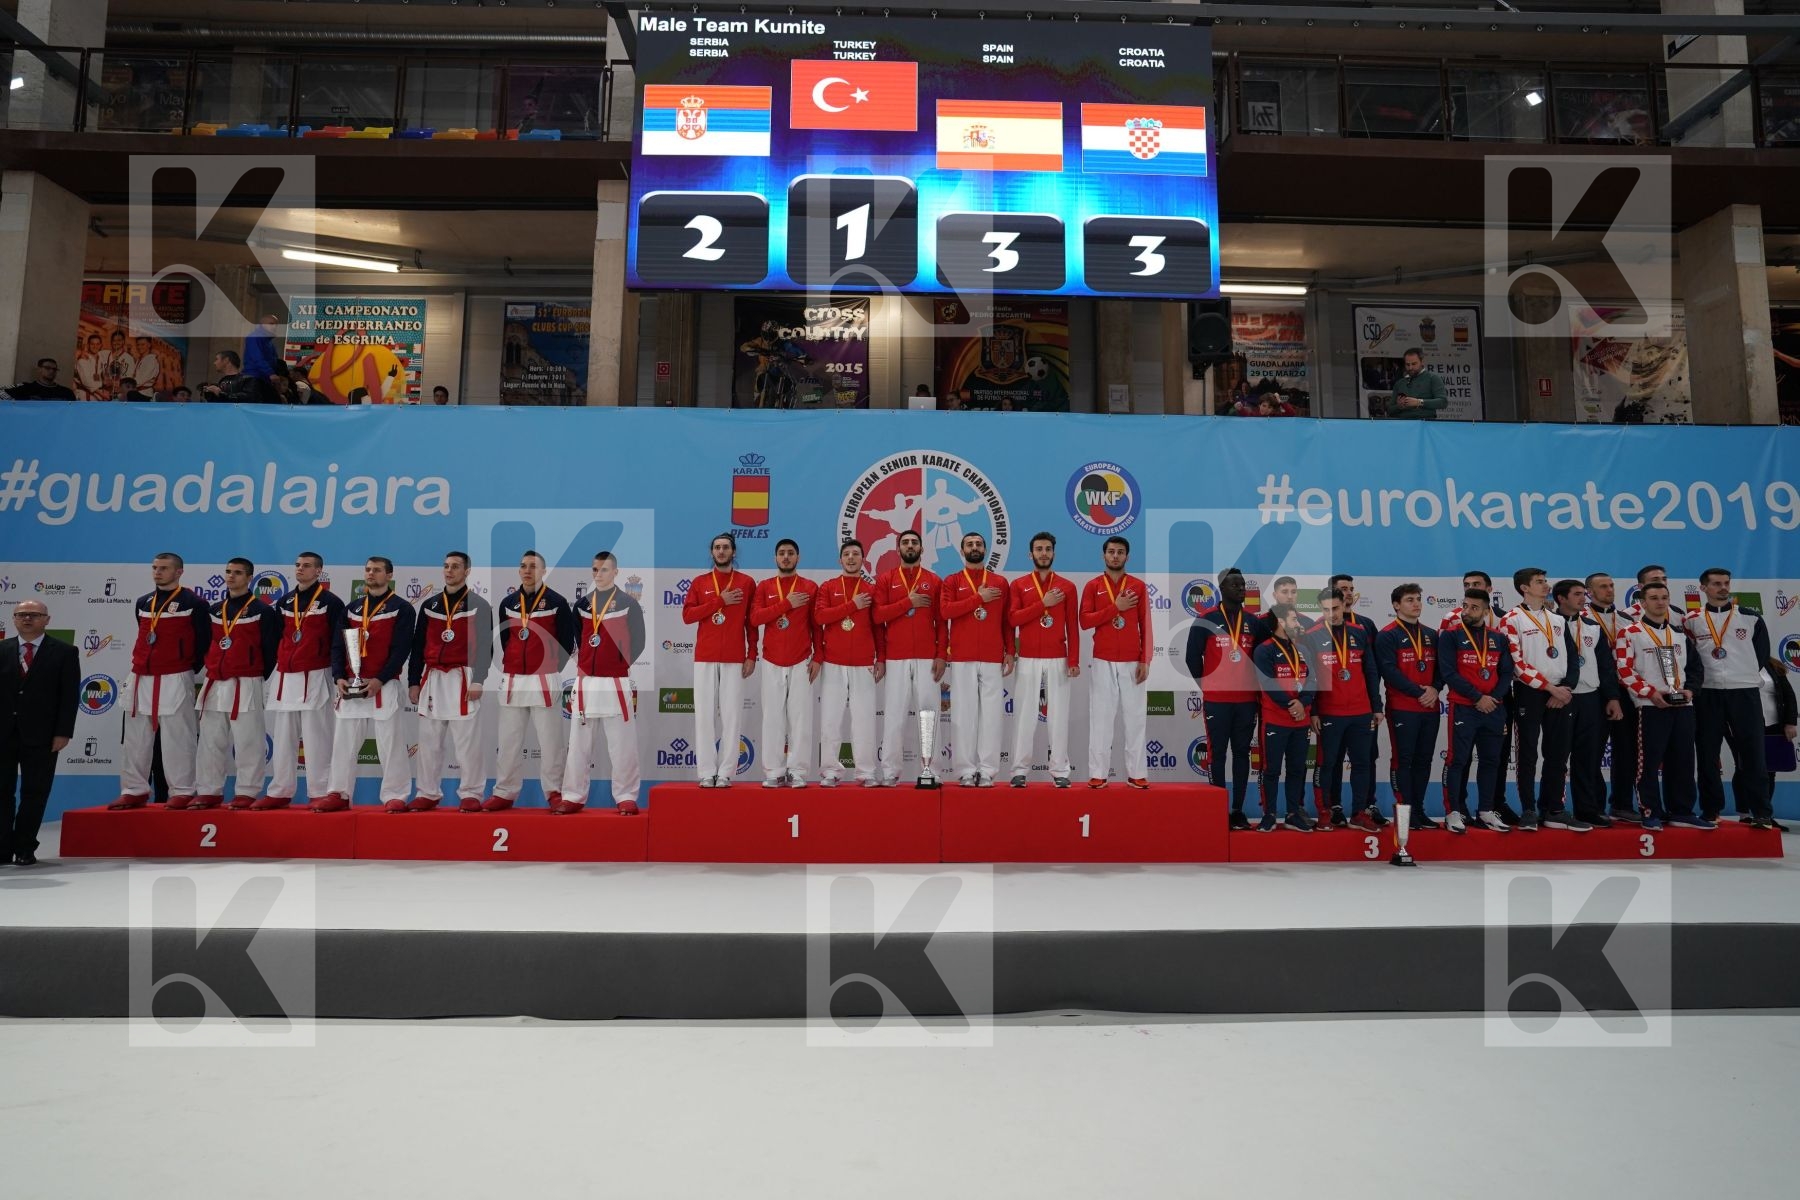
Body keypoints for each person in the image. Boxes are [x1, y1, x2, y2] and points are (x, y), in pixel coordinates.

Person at [109, 553, 211, 809]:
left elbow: (204, 641)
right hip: (141, 673)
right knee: (136, 736)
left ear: (179, 572)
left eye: (164, 568)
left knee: (179, 735)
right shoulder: (143, 603)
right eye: (155, 568)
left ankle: (183, 790)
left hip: (175, 674)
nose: (157, 572)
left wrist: (186, 666)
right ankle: (134, 788)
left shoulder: (194, 603)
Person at [317, 557, 416, 812]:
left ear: (389, 575)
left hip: (384, 684)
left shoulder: (401, 608)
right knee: (344, 743)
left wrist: (380, 679)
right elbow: (338, 646)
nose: (371, 574)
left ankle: (395, 794)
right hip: (351, 683)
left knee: (391, 742)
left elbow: (401, 649)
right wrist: (338, 675)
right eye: (368, 570)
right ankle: (339, 792)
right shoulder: (351, 608)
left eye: (377, 570)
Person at [1683, 568, 1775, 826]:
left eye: (1726, 583)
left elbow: (1761, 654)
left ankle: (1761, 812)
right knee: (1707, 753)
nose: (1723, 588)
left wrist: (1741, 674)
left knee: (1753, 753)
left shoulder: (1751, 618)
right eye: (1716, 584)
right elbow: (1688, 658)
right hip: (1707, 693)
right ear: (1703, 588)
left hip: (1744, 692)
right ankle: (1711, 810)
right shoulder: (1692, 620)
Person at [255, 552, 345, 809]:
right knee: (283, 736)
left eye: (307, 566)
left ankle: (320, 790)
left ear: (319, 571)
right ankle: (281, 789)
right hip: (286, 674)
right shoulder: (285, 601)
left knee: (318, 737)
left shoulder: (331, 602)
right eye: (297, 565)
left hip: (317, 673)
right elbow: (278, 637)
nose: (300, 569)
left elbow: (338, 641)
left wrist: (338, 672)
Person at [1614, 580, 1705, 831]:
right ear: (1642, 603)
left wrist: (1690, 690)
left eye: (1664, 597)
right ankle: (1650, 810)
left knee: (1684, 759)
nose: (1660, 602)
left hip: (1682, 706)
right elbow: (1623, 671)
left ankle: (1682, 810)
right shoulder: (1629, 633)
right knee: (1649, 762)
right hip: (1650, 706)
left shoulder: (1678, 634)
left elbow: (1695, 669)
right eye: (1653, 598)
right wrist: (1650, 693)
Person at [189, 558, 280, 810]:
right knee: (210, 739)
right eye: (228, 572)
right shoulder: (214, 610)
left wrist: (254, 673)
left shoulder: (262, 611)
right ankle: (209, 790)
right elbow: (206, 643)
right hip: (215, 681)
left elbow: (271, 650)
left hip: (246, 682)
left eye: (237, 573)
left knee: (248, 740)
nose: (231, 577)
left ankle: (247, 791)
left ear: (249, 578)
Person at [408, 551, 494, 812]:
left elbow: (485, 647)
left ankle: (471, 792)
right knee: (429, 741)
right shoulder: (430, 605)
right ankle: (428, 792)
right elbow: (417, 646)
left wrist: (479, 680)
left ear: (467, 571)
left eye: (456, 566)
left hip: (463, 677)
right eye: (446, 566)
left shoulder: (479, 604)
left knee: (467, 742)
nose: (449, 570)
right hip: (432, 677)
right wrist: (413, 681)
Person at [561, 552, 647, 814]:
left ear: (616, 572)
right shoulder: (582, 605)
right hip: (586, 682)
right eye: (595, 569)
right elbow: (579, 637)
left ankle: (626, 796)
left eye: (604, 569)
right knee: (578, 744)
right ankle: (573, 796)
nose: (598, 574)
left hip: (616, 682)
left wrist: (619, 662)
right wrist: (588, 662)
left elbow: (639, 641)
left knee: (623, 744)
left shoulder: (627, 603)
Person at [491, 550, 577, 809]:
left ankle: (554, 791)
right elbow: (506, 640)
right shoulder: (508, 602)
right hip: (514, 678)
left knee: (551, 742)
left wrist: (549, 664)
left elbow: (566, 641)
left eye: (533, 566)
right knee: (508, 741)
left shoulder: (557, 601)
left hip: (544, 678)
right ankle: (505, 791)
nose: (527, 570)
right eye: (523, 566)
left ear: (543, 570)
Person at [0, 600, 79, 865]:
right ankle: (1, 848)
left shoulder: (65, 652)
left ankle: (24, 847)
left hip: (43, 735)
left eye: (34, 615)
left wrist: (63, 732)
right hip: (3, 734)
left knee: (35, 793)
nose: (27, 619)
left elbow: (69, 697)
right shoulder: (2, 649)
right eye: (21, 615)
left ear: (47, 619)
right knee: (2, 792)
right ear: (13, 619)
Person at [1186, 568, 1264, 828]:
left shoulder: (1254, 622)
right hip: (1217, 700)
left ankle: (1238, 810)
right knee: (1217, 753)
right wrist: (1209, 685)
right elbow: (1191, 658)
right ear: (1222, 588)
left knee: (1242, 753)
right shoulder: (1205, 619)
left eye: (1243, 585)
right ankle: (1217, 809)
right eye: (1236, 585)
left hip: (1246, 701)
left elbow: (1264, 659)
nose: (1242, 589)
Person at [1500, 566, 1573, 831]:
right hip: (1529, 694)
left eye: (1546, 581)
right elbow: (1517, 664)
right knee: (1528, 754)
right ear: (1524, 588)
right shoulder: (1511, 619)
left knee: (1558, 753)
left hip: (1560, 693)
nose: (1546, 585)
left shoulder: (1558, 619)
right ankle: (1529, 809)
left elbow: (1569, 657)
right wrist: (1549, 689)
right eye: (1539, 582)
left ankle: (1553, 807)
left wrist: (1563, 688)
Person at [1006, 532, 1080, 788]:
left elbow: (1073, 626)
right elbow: (1013, 619)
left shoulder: (1067, 587)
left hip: (1057, 658)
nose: (1043, 553)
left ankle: (1060, 770)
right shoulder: (1019, 585)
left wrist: (1074, 660)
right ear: (1031, 554)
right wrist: (1042, 603)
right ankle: (1019, 770)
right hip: (1027, 658)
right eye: (1039, 549)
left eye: (1048, 549)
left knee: (1058, 716)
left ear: (1054, 553)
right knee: (1024, 716)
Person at [1438, 588, 1515, 834]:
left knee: (1492, 760)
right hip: (1464, 707)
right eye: (1465, 605)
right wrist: (1477, 697)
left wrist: (1492, 698)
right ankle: (1453, 812)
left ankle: (1485, 811)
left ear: (1485, 610)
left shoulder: (1499, 638)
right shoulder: (1450, 636)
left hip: (1493, 708)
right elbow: (1449, 673)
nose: (1467, 611)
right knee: (1457, 760)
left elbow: (1506, 673)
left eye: (1473, 607)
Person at [1305, 588, 1383, 831]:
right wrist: (1314, 711)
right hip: (1330, 712)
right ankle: (1325, 812)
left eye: (1336, 609)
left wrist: (1376, 706)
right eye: (1326, 610)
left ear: (1344, 605)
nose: (1332, 614)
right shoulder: (1312, 635)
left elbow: (1370, 671)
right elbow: (1310, 678)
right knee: (1326, 764)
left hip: (1361, 712)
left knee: (1362, 763)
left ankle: (1359, 812)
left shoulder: (1360, 632)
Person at [1376, 583, 1444, 863]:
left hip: (1430, 706)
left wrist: (1436, 689)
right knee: (1403, 760)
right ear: (1395, 605)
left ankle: (1418, 811)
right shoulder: (1387, 635)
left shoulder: (1431, 634)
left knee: (1424, 760)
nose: (1416, 604)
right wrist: (1420, 692)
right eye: (1409, 600)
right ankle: (1404, 815)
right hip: (1403, 707)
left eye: (1418, 600)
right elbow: (1389, 673)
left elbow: (1442, 668)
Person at [683, 533, 757, 787]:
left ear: (734, 552)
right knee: (704, 716)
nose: (721, 551)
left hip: (735, 657)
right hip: (705, 656)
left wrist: (752, 654)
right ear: (712, 552)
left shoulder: (746, 582)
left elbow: (752, 623)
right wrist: (719, 601)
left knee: (731, 716)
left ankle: (726, 771)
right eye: (717, 547)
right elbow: (688, 616)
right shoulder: (700, 582)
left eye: (726, 547)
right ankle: (706, 771)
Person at [938, 532, 1011, 787]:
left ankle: (988, 770)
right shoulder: (952, 581)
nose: (975, 547)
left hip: (992, 656)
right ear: (962, 551)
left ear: (986, 549)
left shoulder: (1000, 582)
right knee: (963, 715)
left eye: (979, 544)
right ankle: (966, 770)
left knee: (991, 716)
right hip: (962, 656)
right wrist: (978, 598)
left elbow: (1006, 622)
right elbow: (946, 611)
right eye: (969, 544)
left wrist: (1010, 651)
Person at [873, 529, 944, 788]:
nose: (910, 546)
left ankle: (931, 769)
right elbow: (877, 617)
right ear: (897, 548)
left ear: (922, 549)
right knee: (893, 715)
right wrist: (908, 602)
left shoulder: (934, 581)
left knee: (929, 714)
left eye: (914, 542)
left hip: (927, 658)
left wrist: (941, 655)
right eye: (905, 542)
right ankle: (890, 771)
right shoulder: (885, 579)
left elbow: (942, 622)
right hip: (896, 657)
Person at [1080, 536, 1152, 788]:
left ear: (1127, 557)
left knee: (1135, 718)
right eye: (1111, 552)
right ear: (1103, 556)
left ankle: (1137, 772)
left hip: (1132, 661)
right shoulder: (1093, 586)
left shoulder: (1138, 586)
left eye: (1120, 552)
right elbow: (1085, 621)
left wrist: (1146, 659)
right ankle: (1098, 773)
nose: (1115, 556)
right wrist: (1115, 607)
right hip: (1102, 660)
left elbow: (1146, 625)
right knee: (1101, 718)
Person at [751, 538, 819, 788]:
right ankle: (774, 771)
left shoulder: (810, 586)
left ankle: (798, 771)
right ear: (775, 558)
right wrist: (786, 604)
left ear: (798, 557)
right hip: (771, 660)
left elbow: (817, 625)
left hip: (802, 659)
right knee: (772, 718)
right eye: (781, 553)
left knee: (801, 718)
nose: (786, 557)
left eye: (791, 553)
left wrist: (818, 657)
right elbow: (755, 618)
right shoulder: (765, 586)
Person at [814, 540, 882, 787]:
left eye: (856, 554)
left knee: (864, 720)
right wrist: (852, 605)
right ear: (839, 560)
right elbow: (820, 617)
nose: (851, 558)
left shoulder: (871, 589)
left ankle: (865, 772)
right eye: (846, 554)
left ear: (863, 559)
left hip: (863, 662)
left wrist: (881, 658)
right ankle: (831, 770)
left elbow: (878, 627)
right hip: (833, 662)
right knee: (831, 720)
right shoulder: (828, 587)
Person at [1554, 578, 1620, 829]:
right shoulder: (1550, 625)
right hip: (1561, 697)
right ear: (1561, 598)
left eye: (1584, 594)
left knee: (1588, 757)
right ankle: (1553, 808)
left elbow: (1605, 666)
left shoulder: (1593, 627)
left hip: (1591, 698)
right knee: (1558, 757)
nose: (1584, 599)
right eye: (1577, 594)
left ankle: (1588, 809)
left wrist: (1612, 698)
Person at [1251, 603, 1317, 832]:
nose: (1298, 624)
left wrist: (1303, 702)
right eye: (1294, 620)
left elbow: (1312, 680)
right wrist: (1291, 704)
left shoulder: (1302, 650)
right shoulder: (1264, 650)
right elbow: (1267, 683)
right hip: (1276, 719)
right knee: (1271, 769)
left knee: (1297, 768)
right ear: (1280, 622)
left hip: (1301, 719)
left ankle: (1292, 813)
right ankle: (1269, 814)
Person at [1585, 570, 1640, 823]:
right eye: (1603, 586)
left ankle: (1622, 804)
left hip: (1626, 691)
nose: (1609, 590)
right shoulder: (1580, 618)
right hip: (1594, 692)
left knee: (1627, 750)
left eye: (1611, 585)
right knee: (1592, 751)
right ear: (1589, 592)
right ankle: (1593, 806)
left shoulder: (1627, 620)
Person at [1757, 657, 1795, 832]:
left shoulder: (1773, 666)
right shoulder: (1738, 663)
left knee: (1769, 772)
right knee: (1747, 770)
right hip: (1749, 726)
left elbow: (1789, 695)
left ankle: (1766, 815)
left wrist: (1790, 722)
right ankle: (1746, 814)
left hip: (1773, 725)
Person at [1387, 347, 1447, 419]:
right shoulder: (1400, 383)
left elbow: (1443, 402)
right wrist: (1399, 407)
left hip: (1425, 423)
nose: (1410, 367)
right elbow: (1389, 410)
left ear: (1422, 362)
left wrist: (1419, 402)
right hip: (1403, 425)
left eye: (1414, 364)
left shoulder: (1433, 378)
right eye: (1407, 364)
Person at [202, 349, 274, 404]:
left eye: (217, 359)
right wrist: (210, 394)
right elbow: (221, 401)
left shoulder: (248, 379)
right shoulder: (222, 381)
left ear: (226, 360)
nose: (214, 363)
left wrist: (220, 393)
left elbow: (248, 398)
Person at [5, 357, 77, 400]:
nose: (51, 371)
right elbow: (2, 392)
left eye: (54, 369)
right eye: (47, 368)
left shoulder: (67, 392)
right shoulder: (25, 388)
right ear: (39, 369)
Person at [75, 333, 107, 400]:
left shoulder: (101, 359)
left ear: (101, 345)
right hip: (85, 395)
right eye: (92, 344)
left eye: (98, 344)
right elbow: (87, 382)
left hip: (98, 395)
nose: (95, 346)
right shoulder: (83, 359)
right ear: (88, 345)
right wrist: (102, 394)